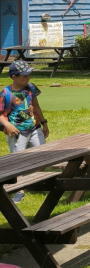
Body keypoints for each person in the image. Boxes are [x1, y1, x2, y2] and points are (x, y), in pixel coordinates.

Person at [0, 63, 49, 205]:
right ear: (14, 77)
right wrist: (7, 125)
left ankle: (34, 182)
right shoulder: (5, 93)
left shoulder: (31, 87)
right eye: (24, 76)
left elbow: (36, 105)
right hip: (16, 132)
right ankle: (19, 189)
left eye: (29, 75)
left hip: (34, 128)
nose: (28, 78)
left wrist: (44, 122)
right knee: (17, 160)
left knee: (44, 155)